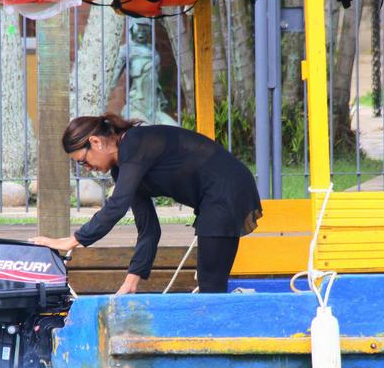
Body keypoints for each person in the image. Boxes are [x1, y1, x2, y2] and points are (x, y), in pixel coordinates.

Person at [31, 113, 262, 294]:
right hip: (214, 196)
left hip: (227, 187)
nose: (87, 169)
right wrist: (133, 279)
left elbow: (117, 206)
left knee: (211, 282)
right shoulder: (122, 169)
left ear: (96, 142)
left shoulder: (135, 143)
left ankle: (217, 345)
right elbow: (149, 228)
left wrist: (74, 240)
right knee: (211, 282)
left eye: (83, 161)